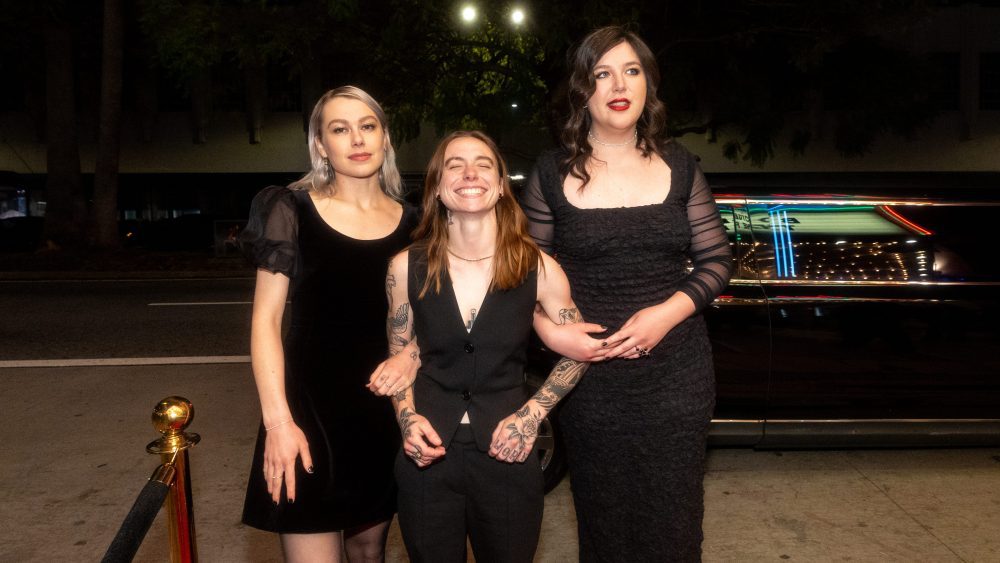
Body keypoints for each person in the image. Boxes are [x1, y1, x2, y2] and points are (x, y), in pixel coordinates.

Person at [520, 26, 734, 562]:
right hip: (591, 382)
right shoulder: (549, 173)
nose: (620, 84)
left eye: (632, 70)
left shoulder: (680, 165)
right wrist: (551, 334)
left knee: (675, 527)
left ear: (648, 86)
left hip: (677, 377)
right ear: (582, 90)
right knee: (606, 528)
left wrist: (665, 315)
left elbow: (716, 263)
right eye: (603, 73)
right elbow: (521, 275)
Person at [384, 130, 590, 562]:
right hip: (427, 457)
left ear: (500, 185)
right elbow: (399, 353)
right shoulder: (406, 267)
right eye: (454, 165)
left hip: (507, 456)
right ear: (439, 188)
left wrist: (532, 415)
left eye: (484, 164)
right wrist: (406, 418)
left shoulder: (539, 267)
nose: (470, 172)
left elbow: (578, 349)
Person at [239, 85, 419, 562]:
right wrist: (278, 422)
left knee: (369, 552)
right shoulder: (289, 209)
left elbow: (440, 318)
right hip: (306, 413)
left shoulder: (417, 223)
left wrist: (411, 353)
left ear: (385, 138)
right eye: (340, 129)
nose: (357, 139)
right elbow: (265, 322)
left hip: (382, 412)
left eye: (368, 126)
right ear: (321, 144)